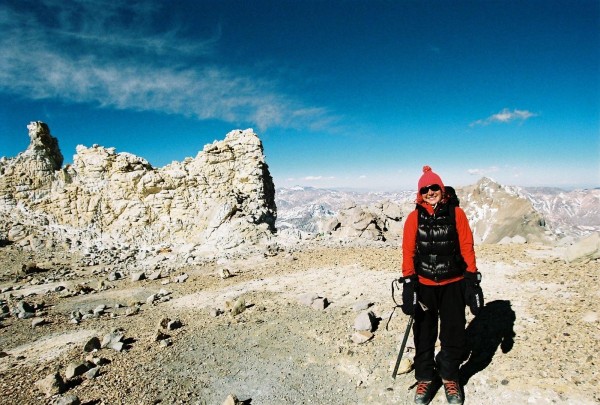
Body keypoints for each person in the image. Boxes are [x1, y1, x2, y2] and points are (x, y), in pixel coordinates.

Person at [400, 166, 483, 405]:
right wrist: (409, 282)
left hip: (453, 284)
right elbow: (408, 251)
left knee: (454, 332)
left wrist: (472, 280)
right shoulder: (413, 218)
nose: (430, 192)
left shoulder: (457, 214)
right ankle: (425, 376)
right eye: (424, 189)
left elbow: (467, 246)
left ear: (441, 189)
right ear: (420, 193)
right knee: (424, 334)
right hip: (424, 285)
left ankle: (449, 376)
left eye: (434, 187)